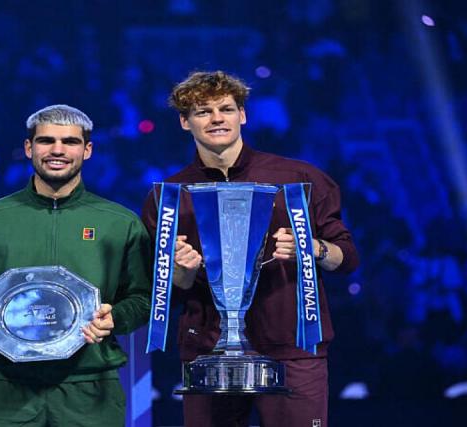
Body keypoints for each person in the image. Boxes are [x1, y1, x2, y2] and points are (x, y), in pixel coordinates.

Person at [141, 71, 360, 427]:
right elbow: (166, 294)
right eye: (203, 111)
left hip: (292, 348)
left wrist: (312, 248)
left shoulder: (299, 179)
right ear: (184, 121)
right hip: (209, 351)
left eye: (226, 109)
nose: (216, 119)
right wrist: (181, 272)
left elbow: (347, 258)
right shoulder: (169, 197)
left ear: (242, 115)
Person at [0, 104, 152, 427]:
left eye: (70, 141)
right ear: (29, 147)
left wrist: (115, 318)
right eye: (46, 140)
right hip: (3, 387)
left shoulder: (120, 222)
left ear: (88, 150)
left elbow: (143, 298)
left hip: (89, 387)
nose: (57, 150)